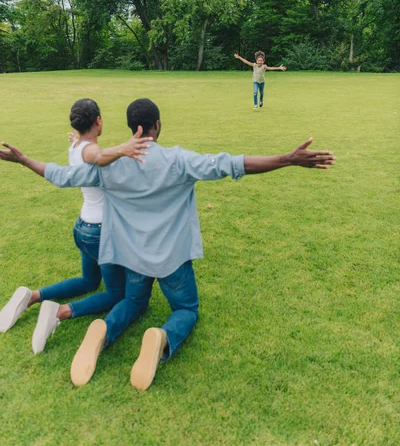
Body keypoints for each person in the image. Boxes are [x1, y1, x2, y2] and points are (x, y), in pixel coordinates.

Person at [0, 98, 335, 390]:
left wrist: (24, 159)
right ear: (157, 125)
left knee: (133, 302)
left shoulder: (111, 166)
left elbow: (61, 175)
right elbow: (235, 164)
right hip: (172, 260)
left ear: (133, 127)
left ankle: (103, 327)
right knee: (186, 310)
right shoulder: (178, 160)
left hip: (132, 258)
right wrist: (288, 159)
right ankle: (161, 337)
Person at [0, 98, 152, 354]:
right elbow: (98, 156)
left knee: (89, 280)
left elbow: (89, 153)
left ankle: (34, 296)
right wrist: (125, 147)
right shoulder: (89, 151)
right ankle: (60, 312)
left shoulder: (76, 146)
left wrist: (25, 159)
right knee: (116, 294)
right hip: (101, 233)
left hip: (83, 228)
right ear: (98, 120)